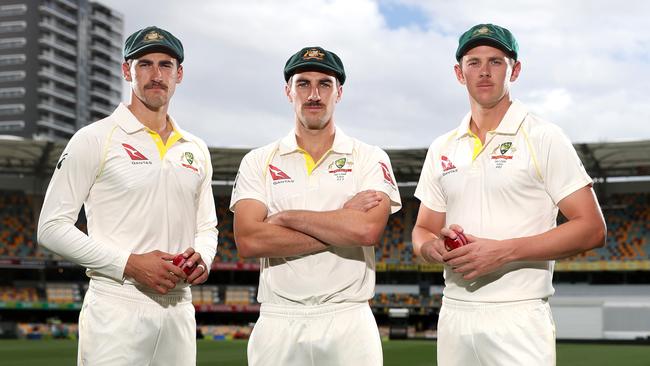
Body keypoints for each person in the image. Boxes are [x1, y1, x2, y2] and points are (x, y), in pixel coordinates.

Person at [412, 24, 606, 366]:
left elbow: (592, 228)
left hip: (518, 315)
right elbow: (422, 231)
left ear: (514, 69)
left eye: (496, 61)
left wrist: (502, 252)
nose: (484, 71)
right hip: (455, 312)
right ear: (459, 73)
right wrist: (433, 249)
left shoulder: (544, 136)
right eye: (473, 62)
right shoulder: (441, 147)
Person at [37, 26, 218, 365]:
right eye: (144, 64)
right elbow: (50, 227)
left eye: (166, 65)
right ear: (126, 71)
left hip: (180, 307)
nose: (156, 74)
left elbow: (207, 225)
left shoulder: (195, 148)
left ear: (179, 74)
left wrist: (203, 257)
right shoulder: (94, 138)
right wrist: (130, 264)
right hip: (117, 306)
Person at [230, 46, 402, 366]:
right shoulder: (258, 161)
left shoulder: (369, 157)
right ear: (288, 91)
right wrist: (340, 221)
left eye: (324, 84)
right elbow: (250, 240)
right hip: (279, 318)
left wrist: (285, 218)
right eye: (303, 84)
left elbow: (366, 230)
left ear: (339, 92)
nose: (314, 94)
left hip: (348, 317)